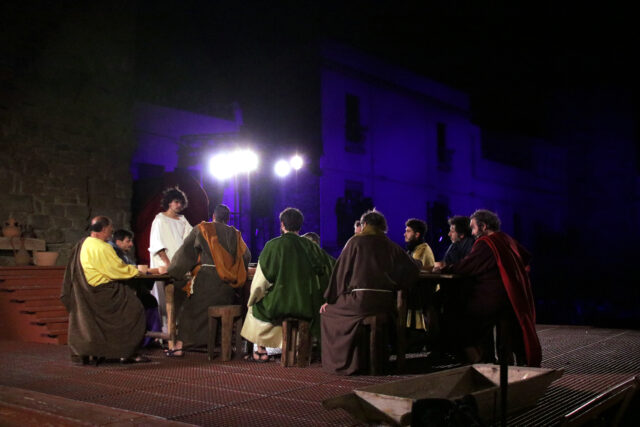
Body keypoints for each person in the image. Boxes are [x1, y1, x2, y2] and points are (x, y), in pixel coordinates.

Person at [435, 209, 541, 366]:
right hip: (512, 296)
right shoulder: (506, 239)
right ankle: (496, 358)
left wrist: (444, 268)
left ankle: (479, 360)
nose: (472, 232)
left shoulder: (486, 243)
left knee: (455, 313)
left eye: (473, 228)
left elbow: (468, 266)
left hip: (493, 297)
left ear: (483, 226)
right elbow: (525, 259)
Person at [320, 209, 420, 375]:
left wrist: (330, 299)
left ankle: (348, 362)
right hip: (385, 303)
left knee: (327, 312)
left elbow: (340, 273)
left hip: (360, 300)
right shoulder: (391, 245)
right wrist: (396, 284)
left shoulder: (355, 242)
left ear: (364, 224)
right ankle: (369, 358)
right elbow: (412, 268)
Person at [241, 207, 334, 362]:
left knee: (255, 307)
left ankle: (261, 350)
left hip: (279, 305)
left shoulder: (272, 246)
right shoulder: (311, 246)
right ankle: (296, 347)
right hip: (307, 304)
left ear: (282, 224)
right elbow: (330, 268)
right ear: (300, 226)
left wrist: (253, 299)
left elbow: (260, 282)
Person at [60, 216, 150, 364]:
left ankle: (102, 351)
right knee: (134, 309)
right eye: (110, 229)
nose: (111, 232)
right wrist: (138, 271)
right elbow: (116, 270)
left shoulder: (84, 243)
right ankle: (126, 352)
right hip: (104, 293)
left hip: (86, 291)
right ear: (102, 229)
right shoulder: (102, 247)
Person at [165, 203, 251, 356]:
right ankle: (217, 342)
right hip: (228, 287)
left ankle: (180, 346)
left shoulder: (203, 229)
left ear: (213, 216)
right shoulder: (235, 234)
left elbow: (186, 253)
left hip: (207, 281)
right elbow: (246, 256)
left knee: (188, 309)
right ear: (227, 219)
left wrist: (173, 271)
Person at [149, 187, 193, 333]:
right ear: (169, 202)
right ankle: (168, 334)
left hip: (181, 265)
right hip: (165, 265)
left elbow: (191, 239)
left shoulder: (182, 220)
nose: (179, 205)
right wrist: (168, 264)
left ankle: (179, 333)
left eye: (181, 202)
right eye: (176, 202)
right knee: (167, 300)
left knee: (181, 298)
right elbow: (157, 244)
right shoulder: (160, 219)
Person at [111, 229, 162, 347]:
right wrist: (152, 271)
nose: (131, 244)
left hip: (131, 290)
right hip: (120, 293)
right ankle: (144, 340)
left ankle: (151, 339)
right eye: (128, 241)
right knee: (146, 301)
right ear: (118, 242)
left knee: (149, 300)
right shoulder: (114, 253)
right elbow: (130, 270)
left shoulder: (123, 254)